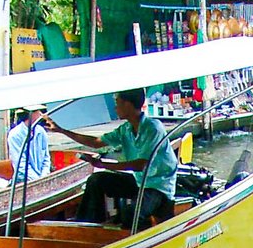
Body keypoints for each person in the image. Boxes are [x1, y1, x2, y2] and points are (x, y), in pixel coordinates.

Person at [73, 89, 179, 228]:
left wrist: (103, 164)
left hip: (158, 187)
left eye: (117, 103)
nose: (115, 107)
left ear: (128, 105)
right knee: (96, 180)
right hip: (139, 182)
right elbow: (96, 142)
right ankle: (88, 226)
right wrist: (61, 130)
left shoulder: (153, 128)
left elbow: (140, 165)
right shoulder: (126, 129)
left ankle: (141, 240)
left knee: (131, 214)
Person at [7, 107, 51, 181]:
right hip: (23, 179)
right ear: (30, 113)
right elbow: (21, 164)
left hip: (42, 177)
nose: (40, 113)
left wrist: (44, 176)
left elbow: (46, 157)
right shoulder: (15, 134)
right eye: (37, 111)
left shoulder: (41, 131)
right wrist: (37, 180)